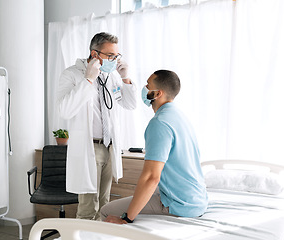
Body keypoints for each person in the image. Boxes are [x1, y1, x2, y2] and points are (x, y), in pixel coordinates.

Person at [100, 70, 208, 224]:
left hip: (182, 205)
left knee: (106, 211)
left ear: (158, 93)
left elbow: (152, 178)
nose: (144, 88)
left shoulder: (160, 123)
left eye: (148, 85)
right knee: (141, 192)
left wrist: (127, 218)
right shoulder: (180, 116)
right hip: (197, 198)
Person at [57, 32, 137, 220]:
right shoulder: (72, 74)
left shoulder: (111, 76)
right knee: (88, 207)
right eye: (110, 56)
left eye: (116, 56)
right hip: (89, 148)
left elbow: (130, 104)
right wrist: (88, 80)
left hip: (109, 147)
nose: (114, 60)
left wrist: (125, 78)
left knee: (105, 204)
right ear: (94, 54)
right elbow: (65, 111)